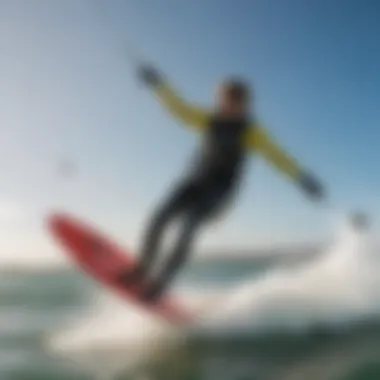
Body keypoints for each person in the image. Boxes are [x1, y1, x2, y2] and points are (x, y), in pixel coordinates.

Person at [119, 64, 326, 302]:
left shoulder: (252, 132)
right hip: (193, 182)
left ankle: (159, 284)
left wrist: (302, 178)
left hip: (219, 192)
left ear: (245, 104)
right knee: (159, 216)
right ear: (220, 100)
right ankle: (141, 269)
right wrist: (158, 84)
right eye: (226, 101)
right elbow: (179, 109)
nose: (231, 107)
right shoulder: (208, 119)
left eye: (238, 103)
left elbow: (277, 156)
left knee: (188, 226)